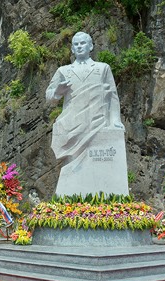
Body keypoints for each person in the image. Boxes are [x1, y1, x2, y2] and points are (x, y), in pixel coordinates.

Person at [45, 31, 129, 196]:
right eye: (76, 44)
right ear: (72, 49)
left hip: (98, 122)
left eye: (82, 43)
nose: (79, 46)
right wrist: (57, 91)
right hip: (73, 125)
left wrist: (114, 120)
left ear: (91, 46)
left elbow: (111, 95)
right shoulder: (64, 70)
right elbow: (49, 96)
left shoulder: (102, 68)